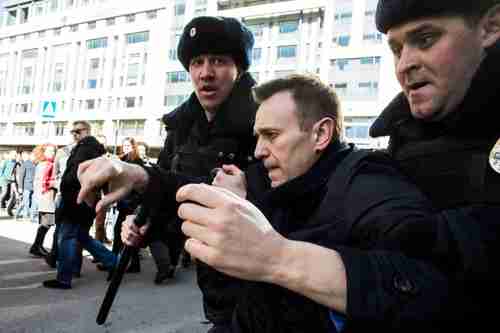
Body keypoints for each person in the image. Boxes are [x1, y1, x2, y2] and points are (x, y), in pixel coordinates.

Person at [182, 2, 500, 331]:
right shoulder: (404, 139)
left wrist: (278, 257)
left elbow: (431, 284)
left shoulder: (366, 179)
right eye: (395, 48)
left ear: (490, 26)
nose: (405, 64)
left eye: (426, 39)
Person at [77, 16, 258, 330]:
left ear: (238, 68)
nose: (206, 73)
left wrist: (144, 178)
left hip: (261, 289)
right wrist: (143, 221)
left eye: (219, 61)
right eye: (197, 62)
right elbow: (169, 194)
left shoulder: (265, 123)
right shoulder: (181, 128)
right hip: (214, 287)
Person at [43, 121, 117, 289]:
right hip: (82, 199)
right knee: (82, 237)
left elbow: (76, 174)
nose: (74, 134)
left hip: (77, 200)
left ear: (87, 131)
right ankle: (114, 262)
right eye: (72, 132)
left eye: (78, 131)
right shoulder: (90, 148)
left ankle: (64, 278)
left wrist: (66, 186)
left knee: (67, 237)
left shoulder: (87, 148)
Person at [108, 137, 144, 273]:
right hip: (125, 202)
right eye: (124, 146)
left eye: (128, 146)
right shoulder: (123, 160)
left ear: (133, 147)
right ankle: (132, 264)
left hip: (131, 203)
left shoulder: (136, 161)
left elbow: (138, 184)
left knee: (120, 233)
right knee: (125, 233)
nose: (126, 148)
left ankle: (113, 263)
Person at [29, 144, 57, 257]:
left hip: (47, 196)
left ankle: (37, 246)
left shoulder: (46, 164)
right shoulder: (46, 165)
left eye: (54, 151)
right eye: (49, 151)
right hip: (47, 196)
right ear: (44, 152)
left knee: (46, 223)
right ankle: (36, 246)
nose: (52, 153)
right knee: (46, 223)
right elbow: (43, 182)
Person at [15, 151, 35, 220]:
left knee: (25, 201)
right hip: (26, 186)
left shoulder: (33, 164)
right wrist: (20, 187)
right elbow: (21, 176)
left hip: (31, 185)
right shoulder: (24, 164)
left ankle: (17, 214)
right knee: (26, 201)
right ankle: (25, 216)